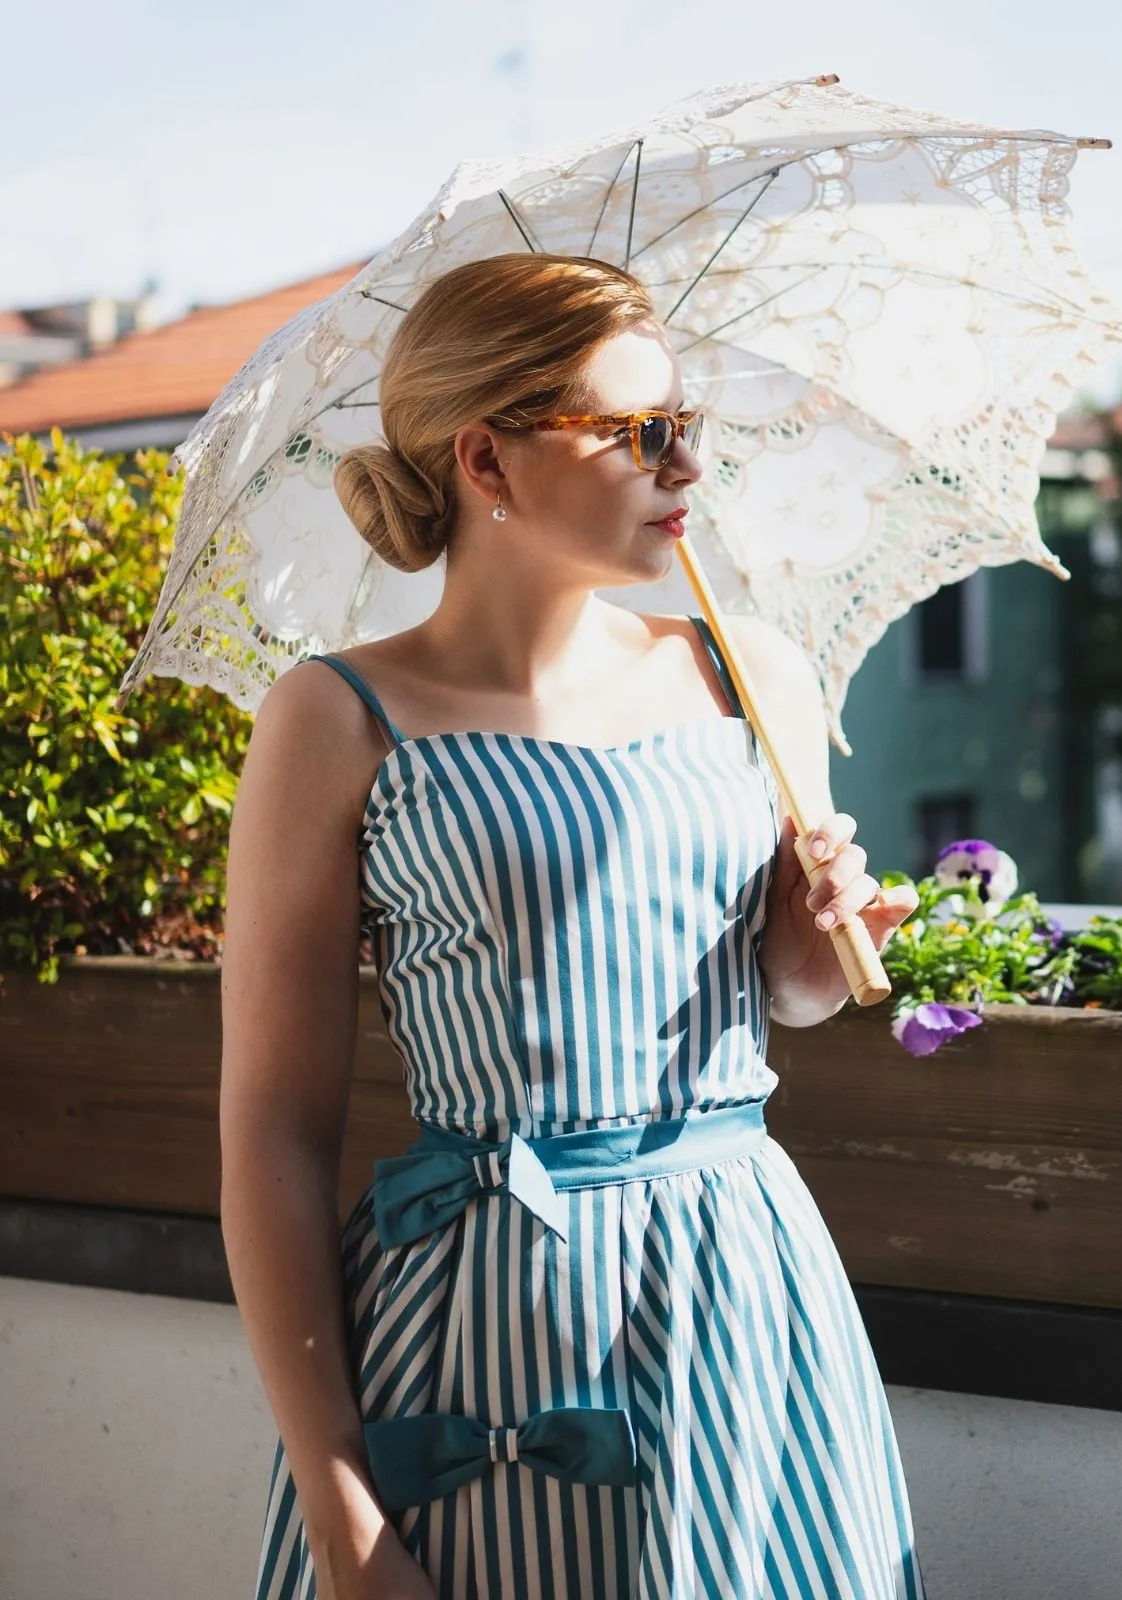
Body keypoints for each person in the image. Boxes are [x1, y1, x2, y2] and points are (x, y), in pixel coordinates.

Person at [220, 252, 925, 1600]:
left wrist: (809, 925)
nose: (687, 469)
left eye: (689, 428)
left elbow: (789, 997)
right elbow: (272, 1132)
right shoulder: (334, 719)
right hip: (469, 1325)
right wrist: (341, 1515)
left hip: (742, 1294)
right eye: (642, 434)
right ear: (486, 463)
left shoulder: (748, 671)